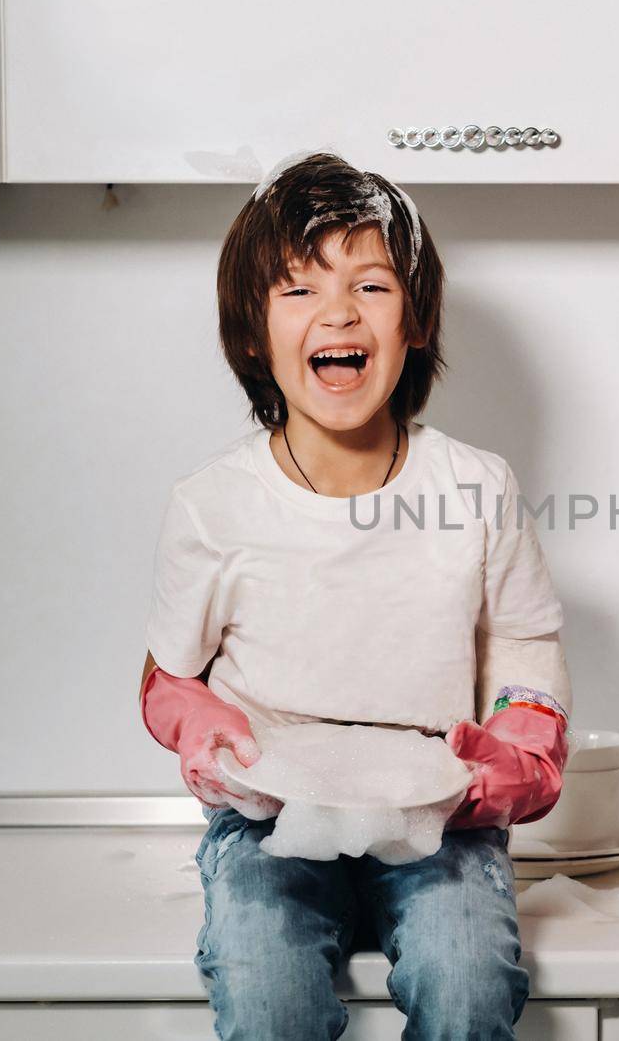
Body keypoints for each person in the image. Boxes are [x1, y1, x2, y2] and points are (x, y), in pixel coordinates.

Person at [138, 151, 572, 1039]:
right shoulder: (212, 504)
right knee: (264, 980)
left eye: (370, 286)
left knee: (468, 976)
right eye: (299, 290)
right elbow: (165, 675)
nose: (337, 312)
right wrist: (202, 731)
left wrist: (518, 758)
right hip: (271, 814)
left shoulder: (477, 487)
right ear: (254, 335)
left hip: (439, 813)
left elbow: (526, 653)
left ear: (415, 322)